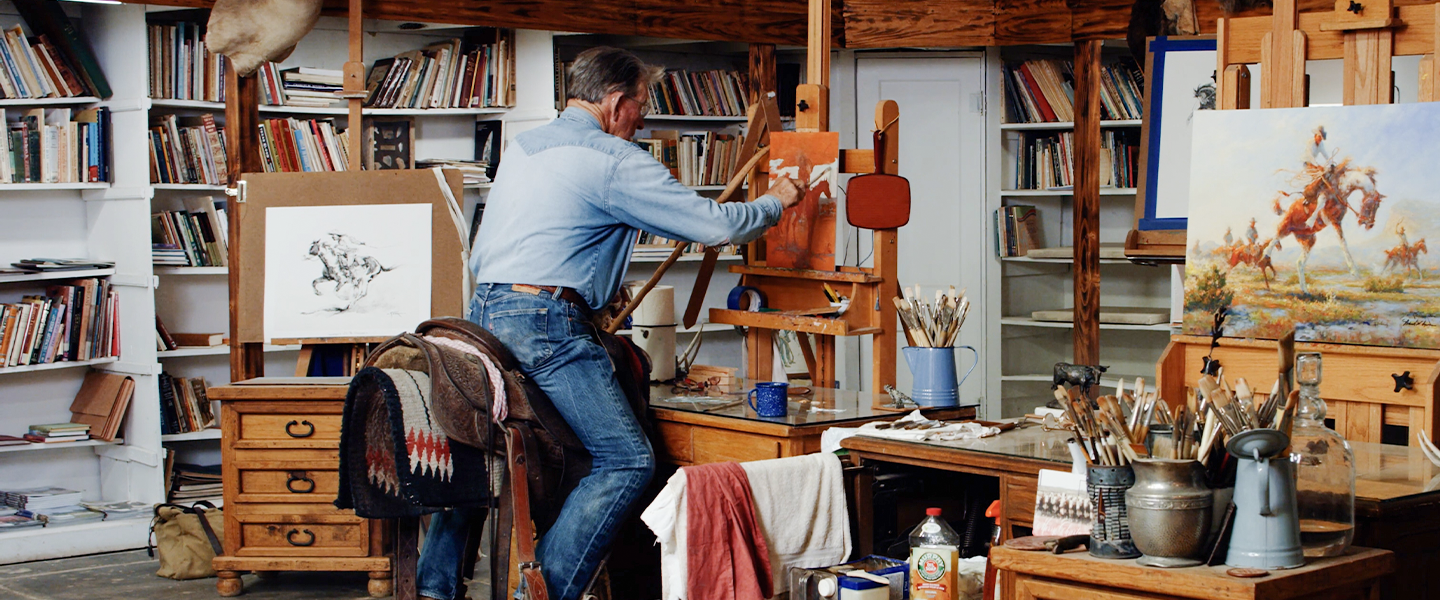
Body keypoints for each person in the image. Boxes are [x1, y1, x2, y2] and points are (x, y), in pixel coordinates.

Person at [414, 47, 805, 600]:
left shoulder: (523, 145)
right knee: (626, 460)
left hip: (481, 314)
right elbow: (716, 226)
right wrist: (775, 201)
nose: (642, 118)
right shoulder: (615, 159)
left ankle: (433, 591)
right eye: (640, 105)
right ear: (617, 101)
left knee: (481, 449)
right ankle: (537, 592)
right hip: (542, 321)